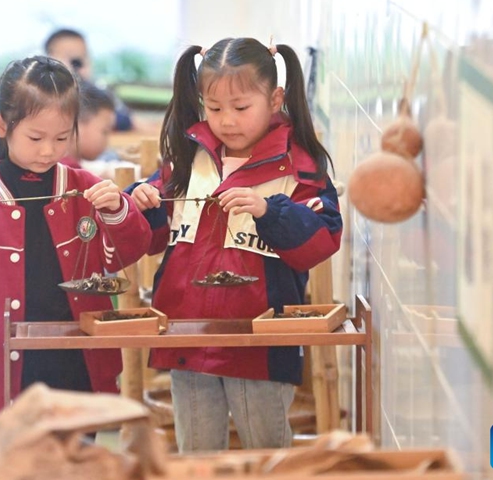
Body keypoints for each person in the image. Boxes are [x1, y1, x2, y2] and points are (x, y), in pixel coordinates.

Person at [0, 55, 151, 463]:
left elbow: (130, 250)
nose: (48, 150)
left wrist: (118, 211)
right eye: (35, 138)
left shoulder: (86, 189)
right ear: (2, 126)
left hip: (75, 370)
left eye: (61, 138)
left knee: (76, 471)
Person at [127, 38, 343, 452]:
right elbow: (152, 236)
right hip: (186, 337)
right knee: (197, 460)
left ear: (276, 98)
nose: (227, 121)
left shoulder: (299, 166)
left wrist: (269, 211)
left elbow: (323, 238)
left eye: (241, 108)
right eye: (214, 108)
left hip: (258, 344)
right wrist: (141, 200)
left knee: (268, 458)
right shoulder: (189, 158)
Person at [44, 28, 134, 131]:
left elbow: (123, 118)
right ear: (50, 59)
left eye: (82, 57)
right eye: (71, 59)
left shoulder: (97, 90)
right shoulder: (41, 92)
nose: (78, 65)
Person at [60, 80, 116, 169]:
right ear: (77, 125)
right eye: (105, 131)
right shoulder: (66, 173)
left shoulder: (74, 168)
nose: (107, 142)